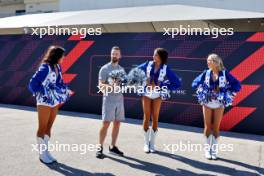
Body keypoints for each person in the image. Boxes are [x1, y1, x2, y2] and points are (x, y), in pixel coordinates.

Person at [192, 53, 241, 160]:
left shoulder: (224, 73)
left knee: (216, 127)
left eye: (210, 60)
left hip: (219, 103)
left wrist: (225, 90)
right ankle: (207, 150)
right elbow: (194, 83)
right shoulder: (206, 73)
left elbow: (237, 85)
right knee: (207, 126)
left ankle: (213, 150)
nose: (207, 62)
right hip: (207, 102)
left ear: (216, 62)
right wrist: (205, 89)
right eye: (207, 60)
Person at [28, 45, 71, 164]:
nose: (64, 57)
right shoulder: (45, 67)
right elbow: (32, 84)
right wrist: (44, 91)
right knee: (42, 127)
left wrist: (63, 89)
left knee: (49, 126)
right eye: (62, 55)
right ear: (56, 56)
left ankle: (46, 152)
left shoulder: (58, 66)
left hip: (55, 100)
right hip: (44, 101)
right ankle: (42, 155)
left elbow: (59, 82)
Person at [137, 48, 181, 153]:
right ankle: (145, 144)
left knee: (155, 117)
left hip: (157, 95)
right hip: (146, 94)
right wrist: (144, 81)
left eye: (155, 55)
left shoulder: (165, 68)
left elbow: (177, 83)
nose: (153, 56)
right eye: (153, 55)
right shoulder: (147, 64)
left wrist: (162, 85)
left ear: (161, 57)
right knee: (146, 116)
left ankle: (152, 143)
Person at [96, 46, 126, 159]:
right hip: (109, 100)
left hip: (119, 100)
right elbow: (100, 85)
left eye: (117, 54)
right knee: (106, 124)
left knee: (117, 123)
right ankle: (99, 147)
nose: (114, 55)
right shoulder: (104, 69)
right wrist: (111, 86)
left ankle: (112, 147)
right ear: (110, 54)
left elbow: (123, 83)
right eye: (113, 53)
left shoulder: (122, 69)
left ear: (120, 56)